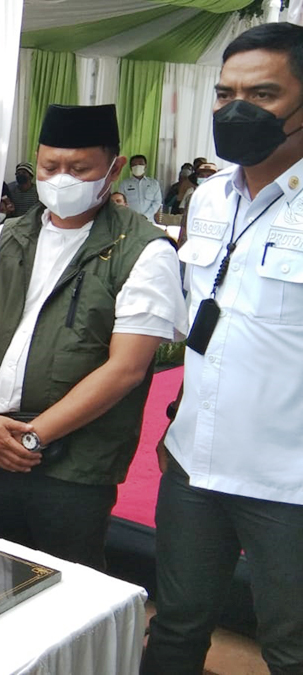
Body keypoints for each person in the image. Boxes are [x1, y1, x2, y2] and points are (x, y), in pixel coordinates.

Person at [0, 103, 187, 570]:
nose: (61, 179)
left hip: (75, 464)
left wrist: (33, 437)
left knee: (67, 583)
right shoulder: (8, 237)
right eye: (50, 166)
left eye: (79, 169)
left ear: (113, 169)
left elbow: (125, 368)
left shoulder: (143, 250)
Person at [143, 22, 303, 675]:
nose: (237, 110)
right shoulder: (208, 199)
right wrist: (180, 414)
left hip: (288, 480)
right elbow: (209, 330)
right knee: (176, 629)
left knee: (291, 649)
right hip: (193, 468)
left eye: (262, 94)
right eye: (225, 93)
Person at [118, 154, 163, 223]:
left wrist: (146, 216)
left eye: (140, 164)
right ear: (130, 167)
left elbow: (157, 202)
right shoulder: (124, 184)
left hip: (148, 221)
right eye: (134, 165)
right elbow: (120, 203)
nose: (137, 166)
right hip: (130, 221)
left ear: (145, 166)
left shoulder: (154, 183)